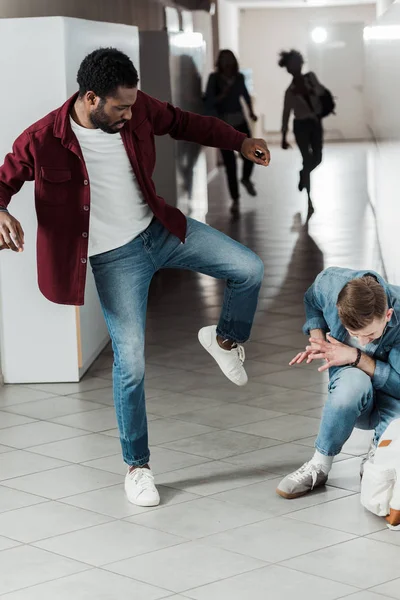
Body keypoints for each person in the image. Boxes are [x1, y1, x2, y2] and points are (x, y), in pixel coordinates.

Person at [0, 48, 270, 507]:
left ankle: (224, 339)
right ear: (90, 99)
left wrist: (237, 141)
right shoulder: (43, 138)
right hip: (113, 260)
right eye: (120, 107)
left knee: (249, 268)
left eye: (133, 104)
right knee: (132, 363)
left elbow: (185, 122)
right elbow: (4, 179)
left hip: (159, 230)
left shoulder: (138, 108)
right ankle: (137, 467)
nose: (130, 113)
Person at [276, 267, 400, 499]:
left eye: (371, 335)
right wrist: (317, 337)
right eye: (354, 333)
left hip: (395, 397)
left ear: (388, 315)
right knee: (350, 387)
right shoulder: (331, 284)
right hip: (357, 388)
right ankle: (320, 464)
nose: (362, 340)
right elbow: (311, 299)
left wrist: (356, 356)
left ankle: (377, 455)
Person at [204, 49, 258, 212]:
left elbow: (245, 96)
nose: (227, 64)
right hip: (223, 125)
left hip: (240, 121)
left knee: (251, 153)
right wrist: (223, 94)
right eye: (224, 60)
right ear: (219, 62)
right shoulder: (214, 79)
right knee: (230, 164)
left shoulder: (239, 77)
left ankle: (246, 178)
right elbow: (209, 100)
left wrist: (251, 112)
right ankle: (235, 198)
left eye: (229, 60)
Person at [278, 49, 325, 218]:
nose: (295, 66)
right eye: (292, 64)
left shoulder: (310, 78)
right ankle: (309, 200)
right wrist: (283, 137)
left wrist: (309, 91)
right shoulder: (289, 91)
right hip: (301, 126)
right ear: (288, 68)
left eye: (297, 62)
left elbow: (321, 93)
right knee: (306, 159)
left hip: (315, 123)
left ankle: (303, 174)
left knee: (318, 158)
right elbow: (286, 114)